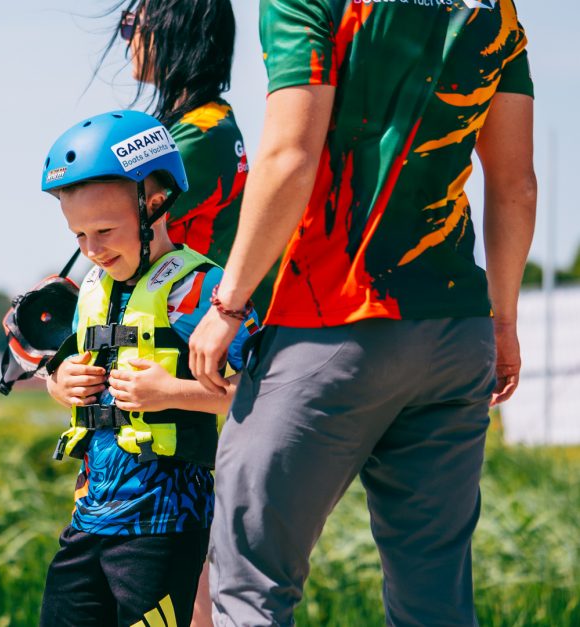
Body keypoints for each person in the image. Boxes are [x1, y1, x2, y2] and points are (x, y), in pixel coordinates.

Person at [188, 1, 536, 625]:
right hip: (456, 332)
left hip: (329, 322)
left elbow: (290, 157)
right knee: (435, 600)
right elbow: (515, 184)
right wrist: (503, 323)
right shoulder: (495, 9)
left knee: (249, 588)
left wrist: (228, 303)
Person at [37, 110, 258, 627]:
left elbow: (264, 392)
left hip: (164, 526)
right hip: (88, 519)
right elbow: (62, 372)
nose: (93, 249)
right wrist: (58, 383)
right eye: (79, 236)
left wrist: (172, 392)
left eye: (105, 230)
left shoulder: (200, 290)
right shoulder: (91, 290)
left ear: (154, 204)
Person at [104, 0, 273, 316]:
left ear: (172, 30)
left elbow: (113, 223)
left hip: (199, 321)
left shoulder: (202, 132)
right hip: (195, 314)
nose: (127, 39)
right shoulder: (201, 124)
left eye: (131, 26)